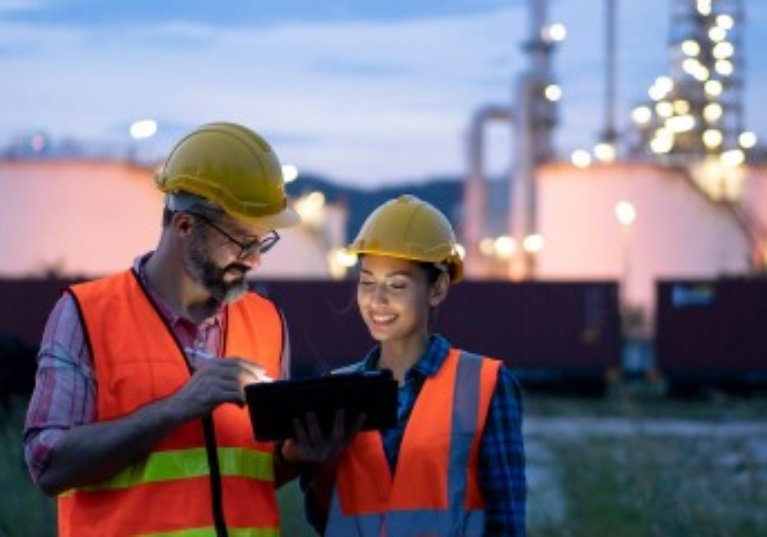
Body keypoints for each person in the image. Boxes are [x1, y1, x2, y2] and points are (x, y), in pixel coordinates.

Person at [24, 122, 342, 537]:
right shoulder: (86, 314)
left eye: (262, 242)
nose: (254, 261)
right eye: (242, 241)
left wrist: (295, 455)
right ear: (185, 227)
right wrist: (179, 406)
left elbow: (244, 474)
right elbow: (48, 466)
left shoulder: (266, 322)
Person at [303, 195, 527, 537]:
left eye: (397, 285)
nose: (377, 300)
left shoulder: (483, 386)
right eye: (366, 282)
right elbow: (324, 518)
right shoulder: (337, 389)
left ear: (437, 289)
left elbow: (506, 523)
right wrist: (322, 465)